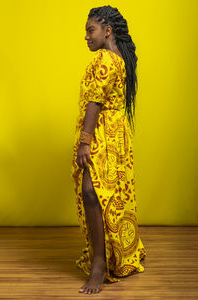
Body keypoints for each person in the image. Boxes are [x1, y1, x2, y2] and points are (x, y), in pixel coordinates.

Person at [71, 5, 146, 295]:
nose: (86, 36)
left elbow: (95, 102)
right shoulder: (120, 58)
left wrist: (84, 141)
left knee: (92, 192)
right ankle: (112, 256)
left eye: (90, 30)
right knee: (105, 195)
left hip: (103, 133)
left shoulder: (106, 57)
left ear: (107, 30)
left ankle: (100, 264)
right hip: (117, 136)